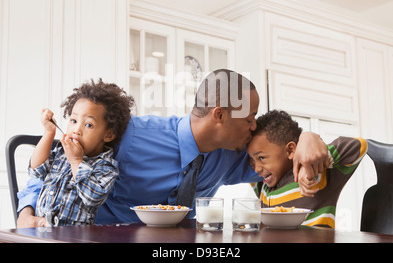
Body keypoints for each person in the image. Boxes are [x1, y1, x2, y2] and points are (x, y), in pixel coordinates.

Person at [17, 70, 328, 227]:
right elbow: (55, 166)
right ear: (219, 115)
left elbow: (279, 158)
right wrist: (27, 210)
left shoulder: (233, 156)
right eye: (248, 118)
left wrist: (308, 137)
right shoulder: (130, 135)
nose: (253, 127)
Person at [25, 79, 134, 226]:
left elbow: (93, 197)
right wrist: (49, 133)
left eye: (89, 125)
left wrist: (76, 162)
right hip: (41, 232)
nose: (76, 130)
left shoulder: (106, 166)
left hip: (75, 236)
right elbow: (36, 169)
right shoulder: (61, 154)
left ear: (108, 135)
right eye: (74, 121)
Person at [247, 109, 368, 228]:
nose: (256, 168)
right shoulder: (262, 187)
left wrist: (309, 163)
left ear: (290, 150)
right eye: (252, 160)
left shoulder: (318, 175)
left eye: (261, 157)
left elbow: (360, 145)